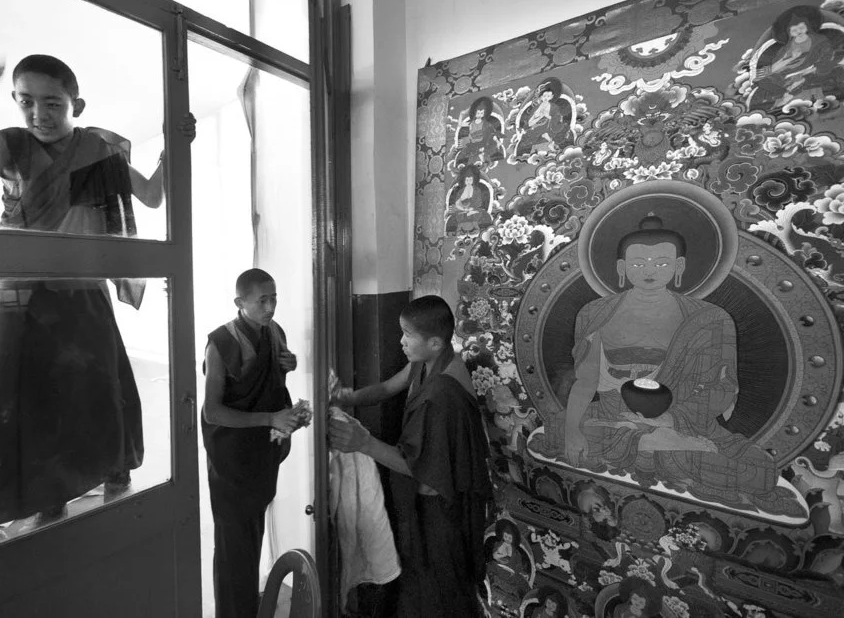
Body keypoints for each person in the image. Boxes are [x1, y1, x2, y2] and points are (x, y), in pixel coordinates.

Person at [0, 43, 196, 529]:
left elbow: (153, 195)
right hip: (25, 291)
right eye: (25, 100)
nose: (38, 114)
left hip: (82, 290)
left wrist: (173, 148)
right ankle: (49, 493)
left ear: (76, 106)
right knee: (37, 397)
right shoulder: (11, 144)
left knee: (99, 387)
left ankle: (113, 468)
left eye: (52, 103)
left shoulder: (98, 149)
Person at [536, 215, 799, 514]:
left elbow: (722, 387)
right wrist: (572, 430)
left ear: (679, 267)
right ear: (621, 268)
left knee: (758, 468)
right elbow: (585, 381)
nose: (649, 270)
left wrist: (671, 421)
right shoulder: (595, 313)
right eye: (637, 264)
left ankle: (658, 443)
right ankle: (651, 444)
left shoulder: (709, 318)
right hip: (611, 415)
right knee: (555, 429)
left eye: (661, 263)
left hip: (682, 423)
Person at [329, 295, 493, 617]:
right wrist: (347, 397)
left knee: (443, 586)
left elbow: (418, 467)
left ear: (434, 342)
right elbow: (391, 386)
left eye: (407, 335)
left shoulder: (443, 395)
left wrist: (363, 442)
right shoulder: (430, 360)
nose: (401, 341)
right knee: (423, 583)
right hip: (425, 500)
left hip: (441, 508)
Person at [201, 268, 306, 618]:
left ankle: (247, 609)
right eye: (262, 300)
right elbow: (213, 412)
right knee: (233, 550)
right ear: (239, 302)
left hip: (262, 456)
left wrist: (288, 367)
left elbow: (269, 384)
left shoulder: (274, 331)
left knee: (251, 540)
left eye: (274, 298)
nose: (270, 306)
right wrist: (270, 419)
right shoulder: (221, 343)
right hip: (231, 460)